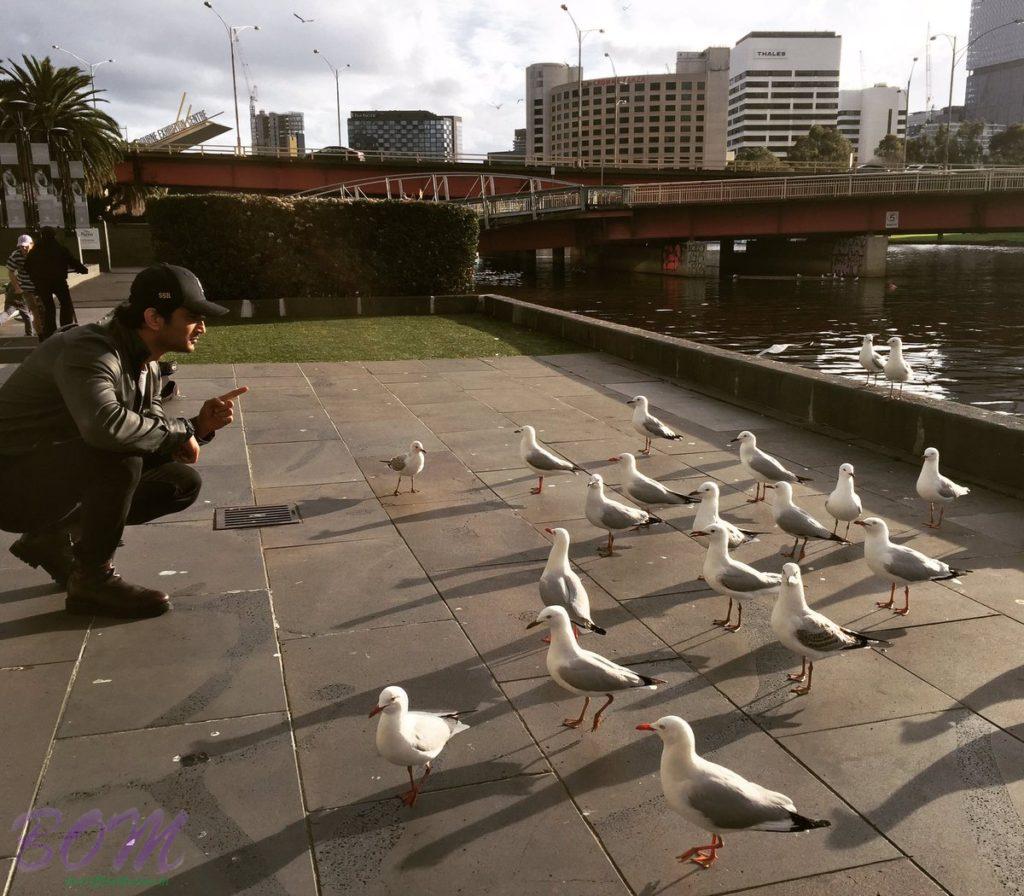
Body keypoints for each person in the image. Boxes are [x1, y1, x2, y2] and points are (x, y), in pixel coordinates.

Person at [0, 263, 248, 619]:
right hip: (11, 482)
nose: (203, 328)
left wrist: (197, 426)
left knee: (180, 482)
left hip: (49, 470)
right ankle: (92, 581)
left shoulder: (142, 360)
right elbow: (105, 427)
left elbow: (153, 424)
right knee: (119, 457)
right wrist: (181, 431)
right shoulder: (89, 351)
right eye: (193, 317)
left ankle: (51, 537)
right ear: (154, 318)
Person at [23, 226, 87, 340]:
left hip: (42, 283)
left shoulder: (35, 250)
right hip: (58, 281)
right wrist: (82, 269)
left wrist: (35, 278)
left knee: (49, 307)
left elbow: (26, 267)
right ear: (54, 236)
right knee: (65, 304)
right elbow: (72, 261)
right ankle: (66, 328)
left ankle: (50, 332)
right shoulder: (59, 248)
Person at [3, 234, 39, 337]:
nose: (23, 248)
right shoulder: (16, 255)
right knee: (29, 311)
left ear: (31, 244)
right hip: (22, 288)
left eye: (26, 246)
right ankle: (33, 334)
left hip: (34, 287)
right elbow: (10, 272)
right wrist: (17, 288)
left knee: (30, 312)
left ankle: (33, 333)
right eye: (21, 246)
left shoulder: (37, 253)